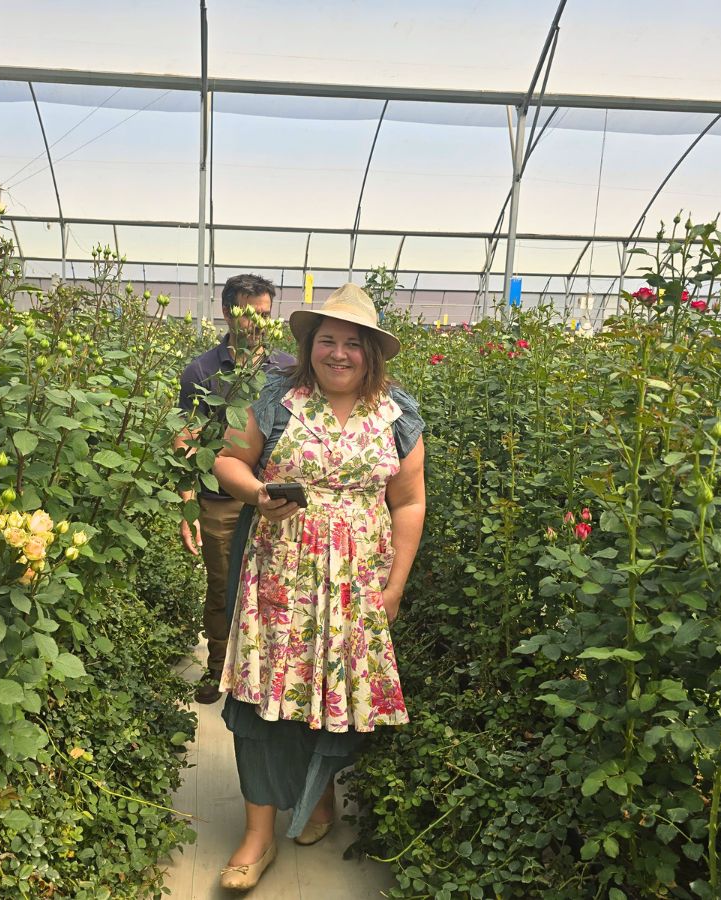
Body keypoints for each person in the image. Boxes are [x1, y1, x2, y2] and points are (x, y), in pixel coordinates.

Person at [211, 283, 426, 891]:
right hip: (280, 579)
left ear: (372, 353)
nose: (338, 353)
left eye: (352, 343)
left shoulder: (398, 414)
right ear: (308, 347)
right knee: (262, 696)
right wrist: (256, 493)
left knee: (330, 689)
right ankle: (257, 837)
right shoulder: (277, 399)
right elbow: (228, 461)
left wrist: (396, 585)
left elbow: (408, 501)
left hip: (356, 584)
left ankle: (319, 799)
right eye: (326, 341)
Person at [176, 274, 294, 705]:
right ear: (227, 312)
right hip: (221, 500)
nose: (258, 324)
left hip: (279, 499)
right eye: (249, 314)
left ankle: (267, 671)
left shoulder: (286, 369)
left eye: (265, 314)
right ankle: (217, 667)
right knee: (223, 584)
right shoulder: (203, 371)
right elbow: (187, 436)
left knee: (276, 585)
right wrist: (188, 503)